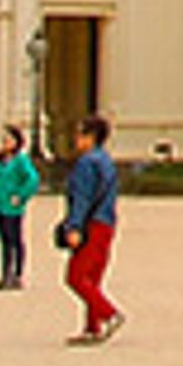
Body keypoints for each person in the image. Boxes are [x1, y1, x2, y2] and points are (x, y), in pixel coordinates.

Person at [56, 117, 123, 345]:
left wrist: (74, 226)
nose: (77, 139)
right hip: (106, 223)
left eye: (80, 134)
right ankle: (92, 327)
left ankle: (109, 314)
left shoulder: (86, 163)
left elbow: (82, 199)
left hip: (91, 224)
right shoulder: (106, 161)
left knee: (75, 276)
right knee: (92, 278)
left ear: (90, 137)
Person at [0, 125, 42, 291]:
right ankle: (5, 273)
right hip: (0, 204)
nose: (5, 143)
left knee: (14, 239)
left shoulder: (21, 160)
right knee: (4, 240)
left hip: (13, 206)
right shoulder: (2, 160)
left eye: (9, 140)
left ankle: (17, 274)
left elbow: (32, 179)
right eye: (4, 140)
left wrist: (21, 195)